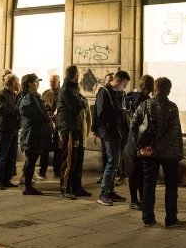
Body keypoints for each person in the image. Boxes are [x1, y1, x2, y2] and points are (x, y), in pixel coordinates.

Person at [131, 77, 184, 228]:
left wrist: (140, 146)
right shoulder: (171, 107)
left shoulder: (144, 105)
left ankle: (148, 218)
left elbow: (133, 125)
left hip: (148, 152)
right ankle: (171, 219)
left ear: (154, 89)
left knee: (148, 184)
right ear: (168, 90)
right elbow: (173, 132)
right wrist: (157, 148)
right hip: (169, 153)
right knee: (171, 186)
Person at [97, 70, 130, 206]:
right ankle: (103, 193)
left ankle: (110, 191)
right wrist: (119, 112)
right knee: (112, 162)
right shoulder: (104, 92)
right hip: (110, 132)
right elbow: (101, 113)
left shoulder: (119, 93)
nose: (125, 87)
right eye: (124, 84)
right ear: (117, 81)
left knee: (115, 163)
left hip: (120, 131)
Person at [57, 65, 91, 199]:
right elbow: (78, 105)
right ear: (75, 75)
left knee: (77, 159)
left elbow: (82, 102)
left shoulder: (73, 88)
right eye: (78, 74)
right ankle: (65, 188)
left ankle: (77, 186)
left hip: (76, 127)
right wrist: (83, 101)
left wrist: (82, 101)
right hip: (69, 128)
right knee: (69, 160)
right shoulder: (67, 89)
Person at [18, 73, 53, 195]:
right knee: (31, 160)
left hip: (35, 133)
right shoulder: (29, 98)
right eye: (35, 82)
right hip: (31, 134)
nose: (37, 84)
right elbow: (40, 115)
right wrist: (47, 116)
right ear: (28, 84)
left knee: (32, 160)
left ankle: (28, 186)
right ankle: (27, 187)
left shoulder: (34, 97)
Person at [125, 74, 153, 210]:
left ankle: (137, 199)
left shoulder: (132, 97)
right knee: (139, 172)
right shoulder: (145, 100)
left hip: (132, 140)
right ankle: (137, 200)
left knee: (136, 172)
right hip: (139, 140)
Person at [0, 73, 21, 190]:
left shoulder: (14, 95)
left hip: (13, 128)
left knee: (11, 156)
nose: (19, 84)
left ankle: (6, 179)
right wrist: (17, 110)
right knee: (1, 156)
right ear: (13, 83)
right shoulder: (1, 95)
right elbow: (2, 110)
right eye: (18, 81)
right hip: (4, 129)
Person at [38, 73, 61, 180]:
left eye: (54, 81)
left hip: (59, 125)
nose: (51, 83)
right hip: (47, 125)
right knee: (44, 149)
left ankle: (57, 170)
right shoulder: (45, 94)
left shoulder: (62, 93)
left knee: (58, 149)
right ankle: (42, 171)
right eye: (50, 81)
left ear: (59, 82)